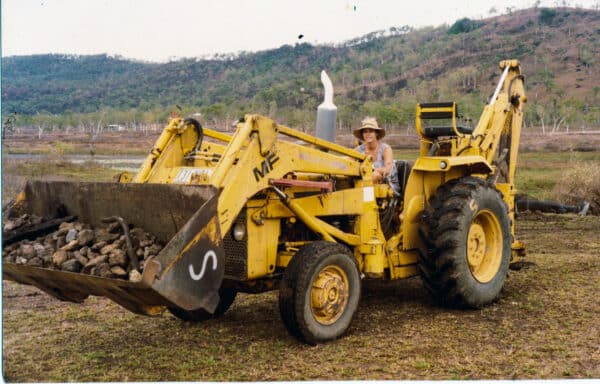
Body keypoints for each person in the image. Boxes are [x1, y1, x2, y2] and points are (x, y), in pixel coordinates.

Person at [353, 117, 396, 185]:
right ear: (362, 134)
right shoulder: (358, 150)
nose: (368, 134)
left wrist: (373, 171)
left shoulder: (385, 149)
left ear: (376, 133)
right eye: (365, 132)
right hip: (362, 183)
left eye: (371, 131)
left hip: (386, 185)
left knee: (375, 175)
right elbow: (347, 162)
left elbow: (388, 169)